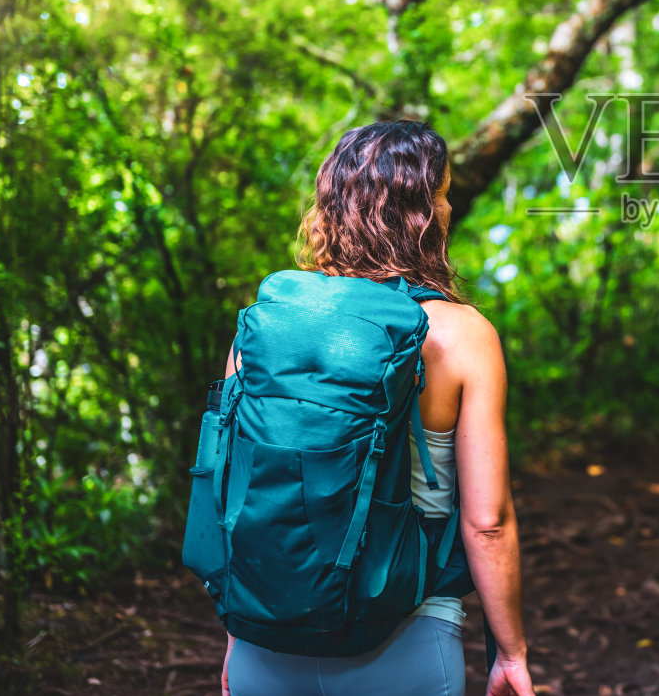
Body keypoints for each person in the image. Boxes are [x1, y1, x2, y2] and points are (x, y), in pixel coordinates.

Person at [219, 121, 538, 696]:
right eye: (442, 191)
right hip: (407, 640)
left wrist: (237, 635)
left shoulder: (265, 327)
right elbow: (487, 523)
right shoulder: (463, 335)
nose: (447, 205)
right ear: (420, 212)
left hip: (266, 641)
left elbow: (241, 497)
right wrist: (511, 652)